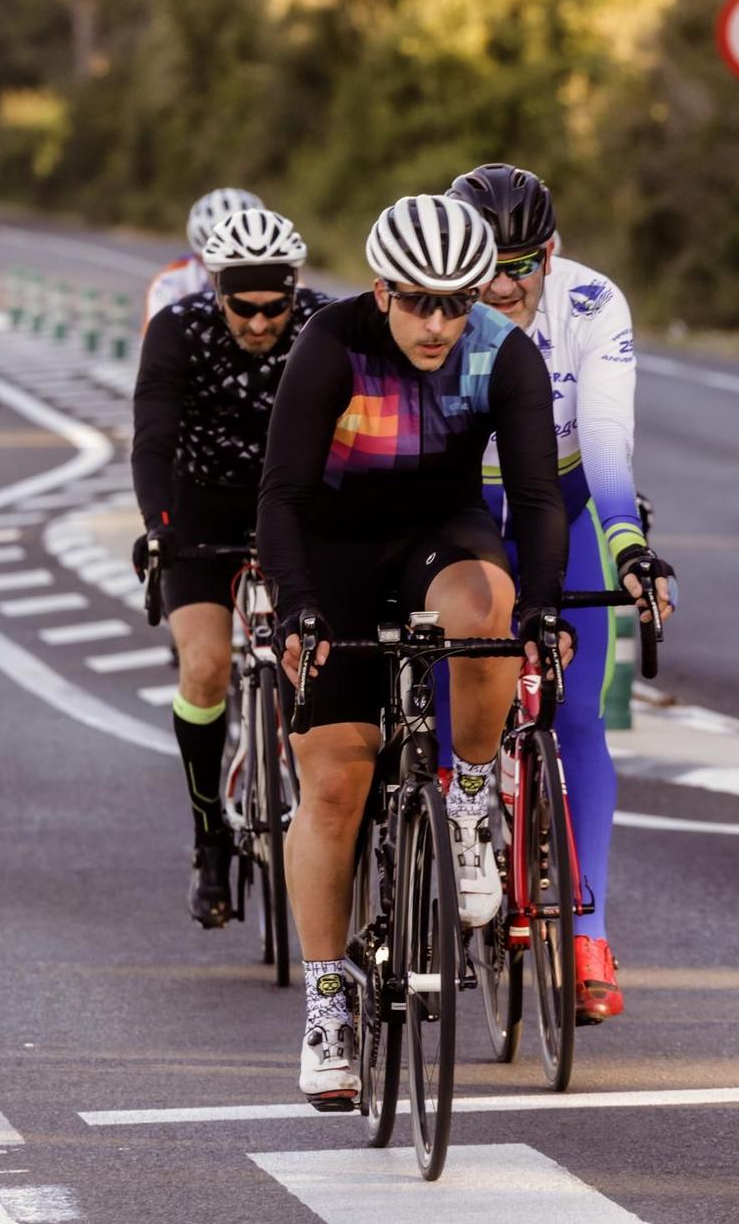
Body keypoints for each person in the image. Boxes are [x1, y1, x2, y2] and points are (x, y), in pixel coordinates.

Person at [257, 194, 569, 1109]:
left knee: (490, 605)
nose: (438, 324)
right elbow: (279, 495)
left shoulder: (503, 354)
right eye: (419, 302)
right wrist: (297, 610)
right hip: (333, 549)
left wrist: (543, 608)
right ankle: (327, 1000)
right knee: (336, 787)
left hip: (439, 532)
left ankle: (471, 794)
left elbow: (539, 500)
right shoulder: (331, 343)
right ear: (384, 289)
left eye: (457, 303)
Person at [448, 162, 678, 1024]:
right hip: (464, 513)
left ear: (554, 252)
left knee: (577, 718)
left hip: (567, 503)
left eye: (523, 266)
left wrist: (629, 548)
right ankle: (447, 859)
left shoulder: (592, 305)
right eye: (486, 268)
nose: (504, 287)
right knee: (454, 708)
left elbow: (611, 439)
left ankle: (587, 930)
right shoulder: (436, 308)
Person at [130, 209, 334, 927]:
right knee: (207, 667)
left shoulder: (324, 325)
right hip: (203, 507)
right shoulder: (177, 330)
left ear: (295, 290)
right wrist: (157, 530)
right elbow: (151, 443)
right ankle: (209, 833)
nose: (258, 323)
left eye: (273, 306)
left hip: (296, 504)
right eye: (241, 307)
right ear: (216, 291)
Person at [142, 187, 264, 326]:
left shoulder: (286, 274)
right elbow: (154, 341)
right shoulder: (170, 281)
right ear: (201, 256)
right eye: (216, 263)